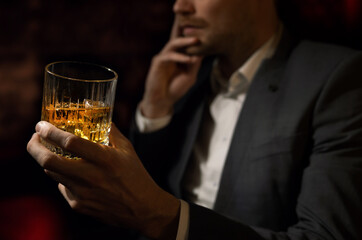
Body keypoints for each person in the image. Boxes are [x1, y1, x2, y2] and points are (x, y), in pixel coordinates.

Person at [27, 0, 362, 239]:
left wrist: (164, 219)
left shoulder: (337, 76)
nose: (179, 6)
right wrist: (155, 109)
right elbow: (128, 204)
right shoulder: (182, 82)